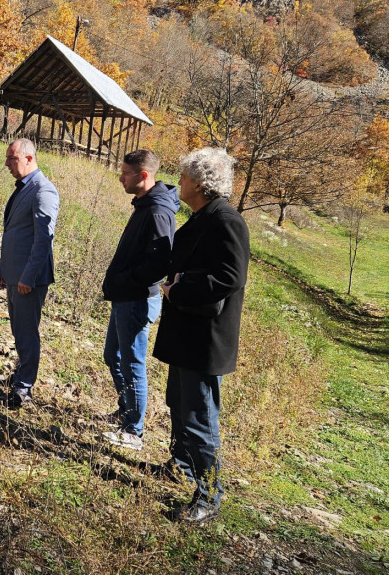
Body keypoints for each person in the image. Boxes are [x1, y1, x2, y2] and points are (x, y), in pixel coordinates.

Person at [153, 147, 250, 524]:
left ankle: (209, 496)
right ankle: (182, 467)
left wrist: (179, 287)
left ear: (200, 183)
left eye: (184, 177)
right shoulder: (202, 216)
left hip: (203, 338)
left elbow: (230, 277)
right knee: (178, 403)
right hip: (187, 333)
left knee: (198, 416)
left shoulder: (226, 220)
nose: (179, 182)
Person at [100, 149, 178, 451]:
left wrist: (125, 280)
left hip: (137, 299)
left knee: (132, 363)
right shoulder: (147, 204)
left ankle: (134, 430)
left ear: (143, 176)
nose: (121, 177)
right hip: (126, 297)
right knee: (113, 356)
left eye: (126, 173)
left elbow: (160, 263)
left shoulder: (158, 210)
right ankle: (127, 410)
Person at [0, 138, 60, 408]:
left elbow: (43, 240)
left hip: (28, 279)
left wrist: (28, 276)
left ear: (29, 159)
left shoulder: (43, 190)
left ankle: (23, 388)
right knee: (18, 329)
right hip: (15, 274)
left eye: (12, 159)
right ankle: (20, 376)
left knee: (26, 332)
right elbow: (15, 232)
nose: (7, 164)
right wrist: (3, 267)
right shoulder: (25, 187)